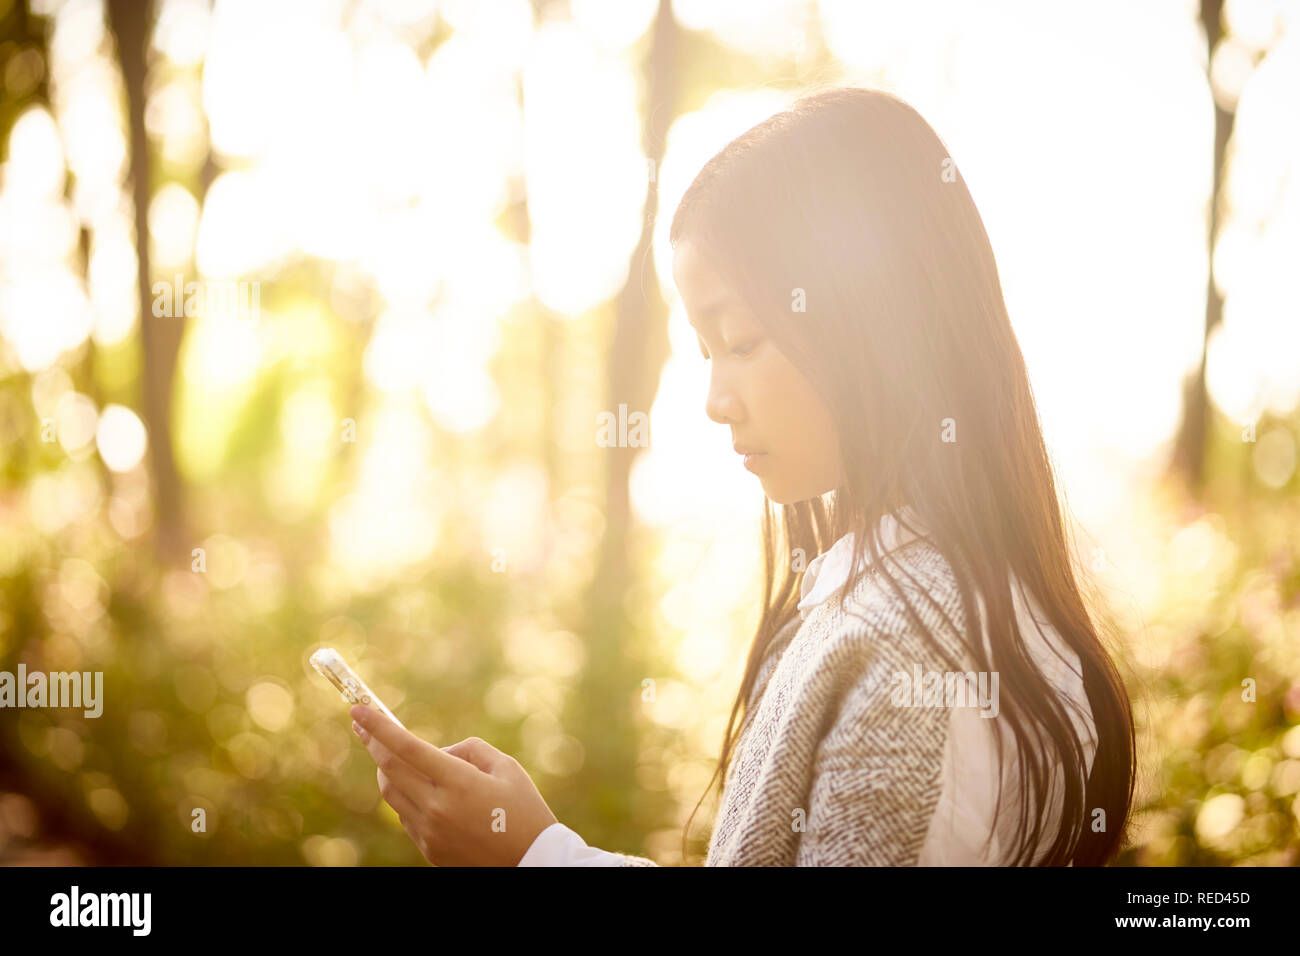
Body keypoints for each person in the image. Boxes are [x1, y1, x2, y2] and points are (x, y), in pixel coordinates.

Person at [348, 85, 1136, 867]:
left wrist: (535, 859)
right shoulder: (897, 605)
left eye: (742, 341)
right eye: (705, 351)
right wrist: (540, 849)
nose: (716, 402)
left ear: (871, 320)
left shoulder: (911, 658)